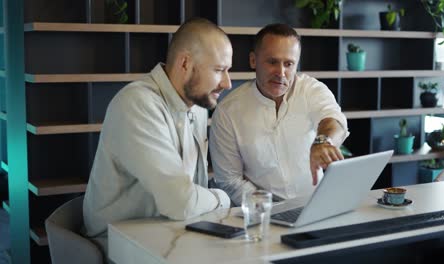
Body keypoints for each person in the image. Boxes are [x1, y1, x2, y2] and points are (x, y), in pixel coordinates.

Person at [82, 18, 233, 253]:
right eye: (219, 70)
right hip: (117, 243)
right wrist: (222, 198)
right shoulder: (137, 104)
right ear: (185, 63)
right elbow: (180, 202)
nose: (227, 82)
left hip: (173, 233)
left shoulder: (197, 106)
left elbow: (189, 197)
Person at [209, 23, 349, 206]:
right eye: (272, 62)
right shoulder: (227, 111)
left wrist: (324, 141)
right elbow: (229, 181)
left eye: (288, 64)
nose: (281, 73)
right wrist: (271, 210)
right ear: (253, 61)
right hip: (261, 213)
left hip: (318, 204)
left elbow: (334, 121)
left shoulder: (312, 90)